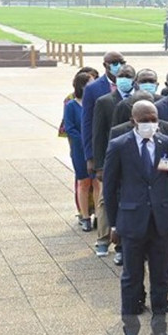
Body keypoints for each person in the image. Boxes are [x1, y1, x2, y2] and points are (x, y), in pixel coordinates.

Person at [103, 100, 168, 335]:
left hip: (160, 223)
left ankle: (160, 330)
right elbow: (110, 189)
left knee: (161, 279)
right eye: (145, 119)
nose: (151, 123)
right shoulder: (119, 145)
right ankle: (130, 332)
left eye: (154, 118)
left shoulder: (166, 143)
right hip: (132, 222)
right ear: (134, 120)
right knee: (131, 279)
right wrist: (113, 224)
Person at [81, 52, 126, 259]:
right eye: (114, 63)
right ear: (105, 65)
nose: (118, 66)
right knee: (105, 197)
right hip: (106, 152)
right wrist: (92, 158)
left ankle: (122, 244)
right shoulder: (93, 89)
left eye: (121, 63)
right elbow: (90, 126)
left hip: (128, 152)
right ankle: (103, 238)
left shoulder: (130, 87)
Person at [93, 64, 136, 261]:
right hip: (113, 158)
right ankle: (104, 239)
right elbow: (98, 136)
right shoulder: (105, 101)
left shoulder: (142, 99)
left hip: (135, 160)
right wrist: (98, 164)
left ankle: (123, 248)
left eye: (128, 76)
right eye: (121, 76)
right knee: (107, 199)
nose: (124, 79)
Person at [64, 71, 98, 232]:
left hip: (96, 148)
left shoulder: (96, 103)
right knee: (83, 182)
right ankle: (85, 216)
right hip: (79, 150)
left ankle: (99, 215)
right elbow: (69, 128)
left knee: (98, 182)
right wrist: (85, 140)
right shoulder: (71, 105)